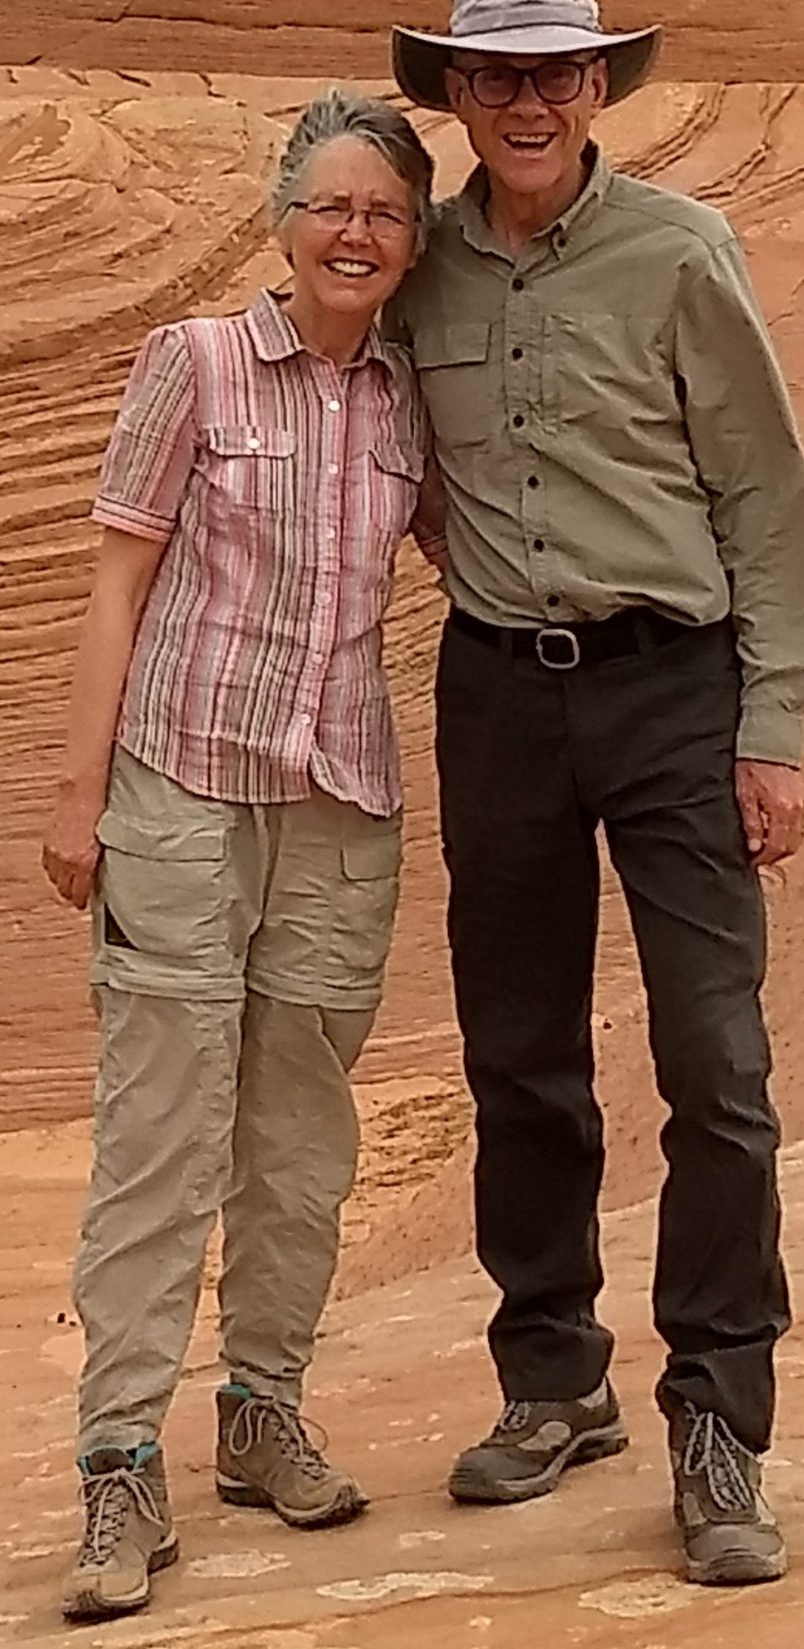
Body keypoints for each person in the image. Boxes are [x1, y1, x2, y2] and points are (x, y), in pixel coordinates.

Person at [388, 0, 804, 1586]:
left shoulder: (678, 252)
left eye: (553, 74)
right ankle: (552, 1381)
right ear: (450, 94)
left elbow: (769, 505)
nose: (523, 101)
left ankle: (718, 1421)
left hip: (673, 690)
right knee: (519, 1052)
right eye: (492, 76)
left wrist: (770, 729)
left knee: (713, 1060)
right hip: (498, 692)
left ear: (598, 89)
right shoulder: (414, 267)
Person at [41, 88, 443, 1625]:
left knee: (299, 1136)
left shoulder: (412, 394)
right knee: (162, 1126)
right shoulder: (196, 363)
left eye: (386, 214)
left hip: (341, 805)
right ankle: (121, 1458)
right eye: (332, 205)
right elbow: (115, 582)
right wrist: (78, 797)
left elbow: (483, 545)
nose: (356, 233)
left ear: (414, 244)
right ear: (281, 220)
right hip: (182, 789)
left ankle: (261, 1405)